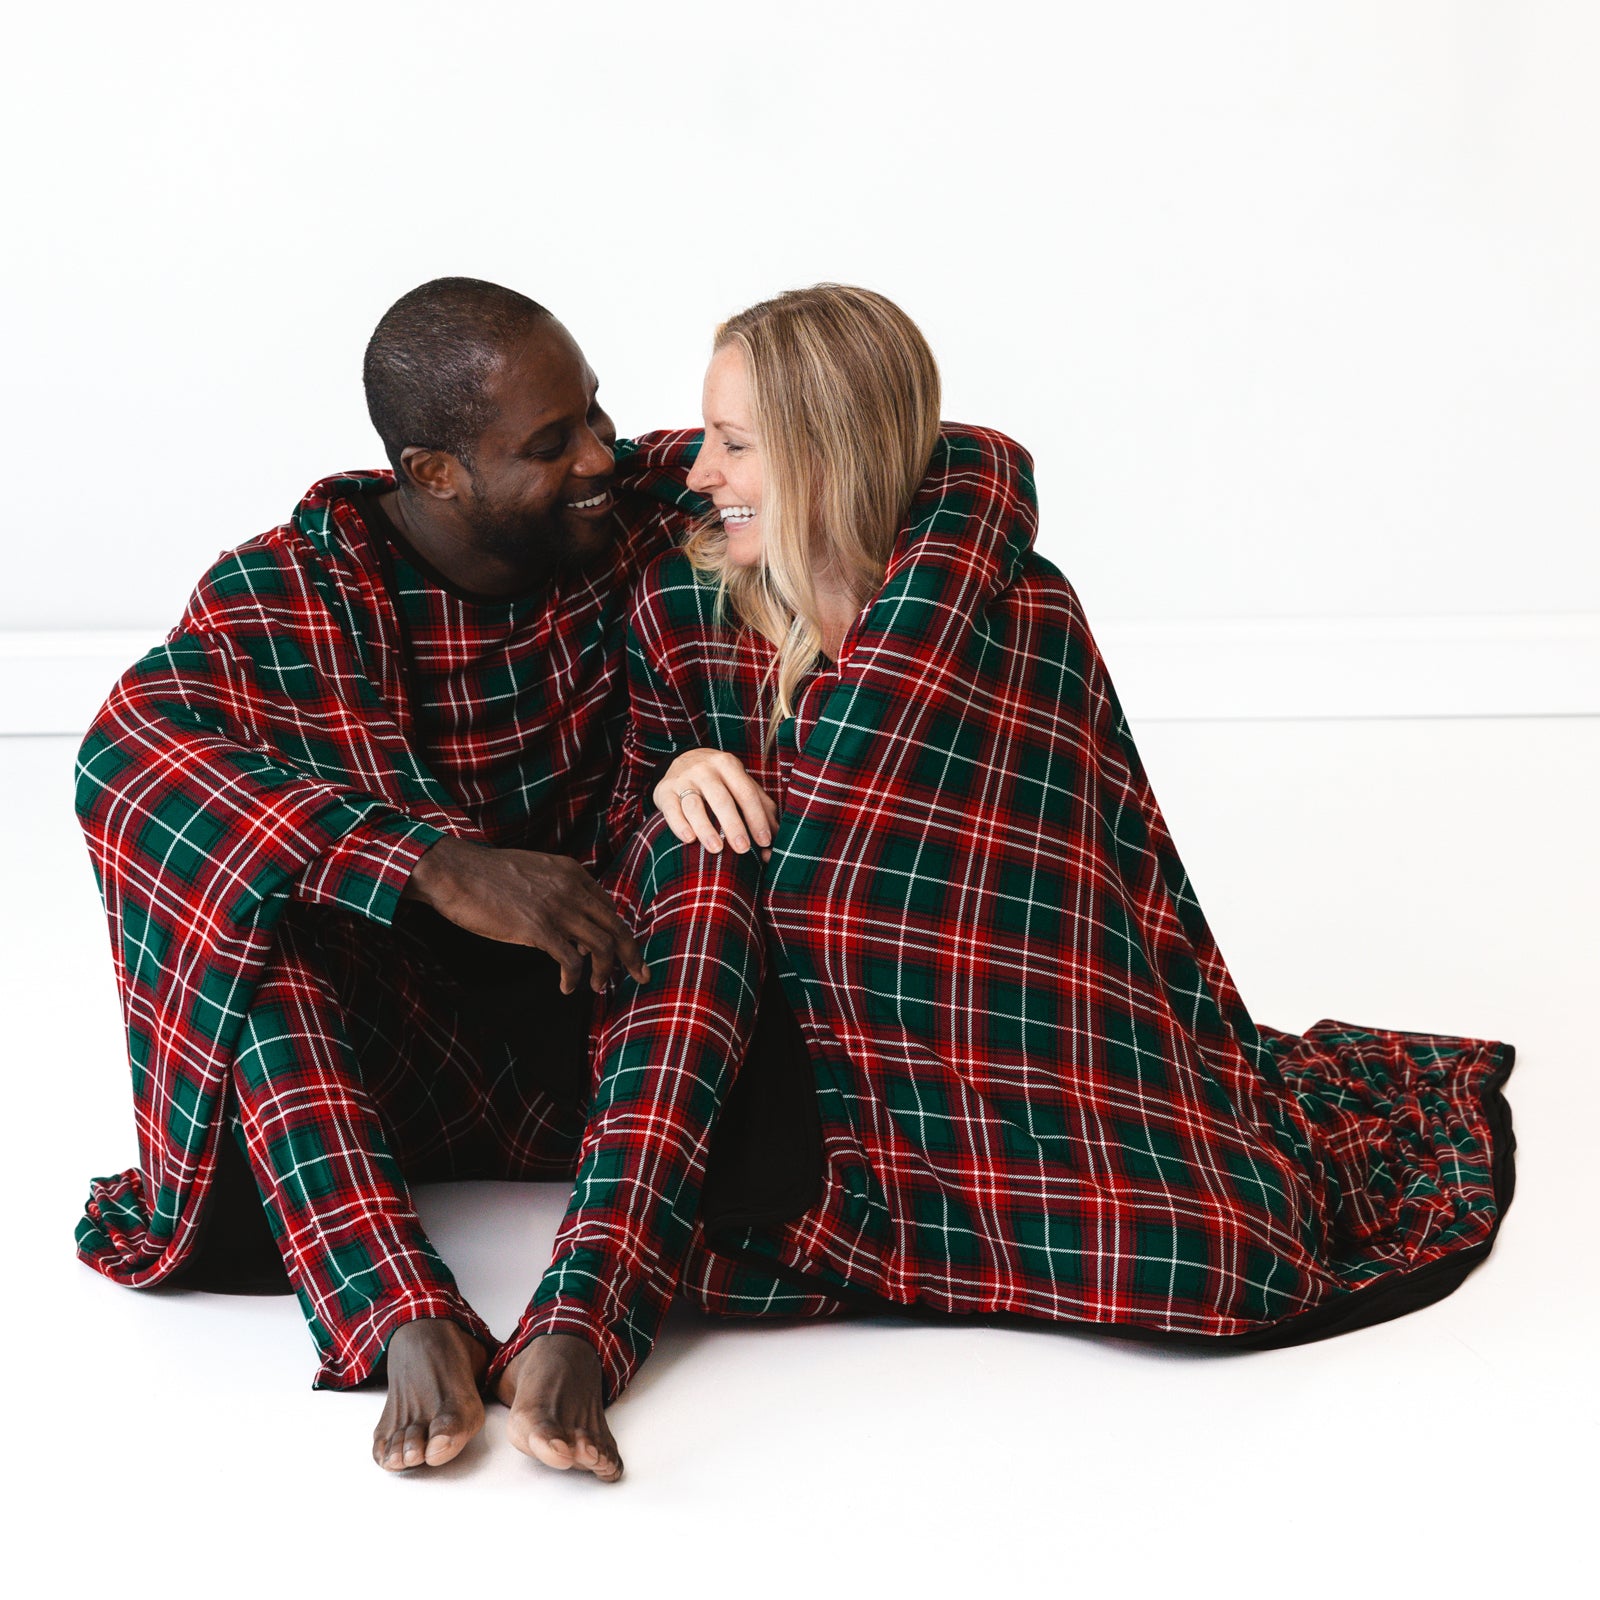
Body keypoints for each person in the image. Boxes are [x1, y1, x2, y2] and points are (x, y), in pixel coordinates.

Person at [488, 284, 1518, 1482]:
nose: (700, 473)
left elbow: (1100, 889)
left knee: (1227, 1262)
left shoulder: (1020, 617)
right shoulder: (679, 604)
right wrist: (678, 770)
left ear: (825, 453)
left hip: (991, 1061)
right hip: (769, 1045)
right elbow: (635, 864)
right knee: (697, 864)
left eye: (734, 443)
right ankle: (604, 1302)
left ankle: (876, 1231)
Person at [74, 277, 693, 1472]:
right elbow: (127, 754)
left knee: (705, 850)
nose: (601, 456)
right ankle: (398, 1312)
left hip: (616, 1036)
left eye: (599, 416)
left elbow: (963, 468)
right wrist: (435, 866)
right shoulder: (292, 584)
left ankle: (586, 1309)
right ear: (438, 471)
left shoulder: (644, 511)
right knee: (250, 914)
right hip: (397, 1069)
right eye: (550, 442)